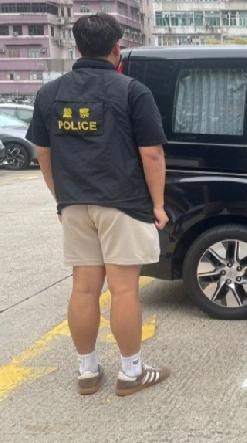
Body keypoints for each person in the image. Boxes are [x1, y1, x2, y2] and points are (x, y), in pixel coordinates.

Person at [25, 13, 170, 396]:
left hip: (74, 203)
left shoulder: (49, 93)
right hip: (123, 202)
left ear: (76, 46)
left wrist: (61, 198)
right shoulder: (131, 91)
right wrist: (158, 204)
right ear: (115, 47)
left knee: (84, 290)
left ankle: (87, 371)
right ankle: (131, 372)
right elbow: (152, 154)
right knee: (124, 291)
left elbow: (43, 152)